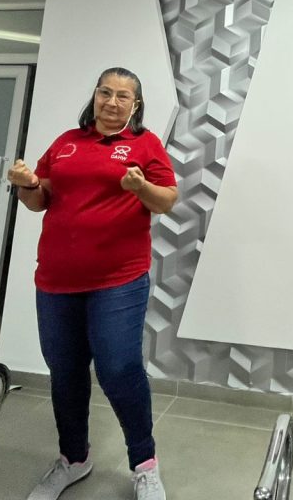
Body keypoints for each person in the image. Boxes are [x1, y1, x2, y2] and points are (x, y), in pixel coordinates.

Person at [9, 67, 177, 500]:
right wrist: (26, 185)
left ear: (135, 105)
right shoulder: (66, 142)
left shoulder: (145, 144)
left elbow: (167, 200)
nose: (112, 101)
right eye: (105, 92)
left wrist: (141, 187)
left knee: (119, 369)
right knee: (65, 372)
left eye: (123, 96)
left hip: (118, 281)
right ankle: (74, 458)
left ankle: (144, 464)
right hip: (56, 280)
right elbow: (39, 200)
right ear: (95, 96)